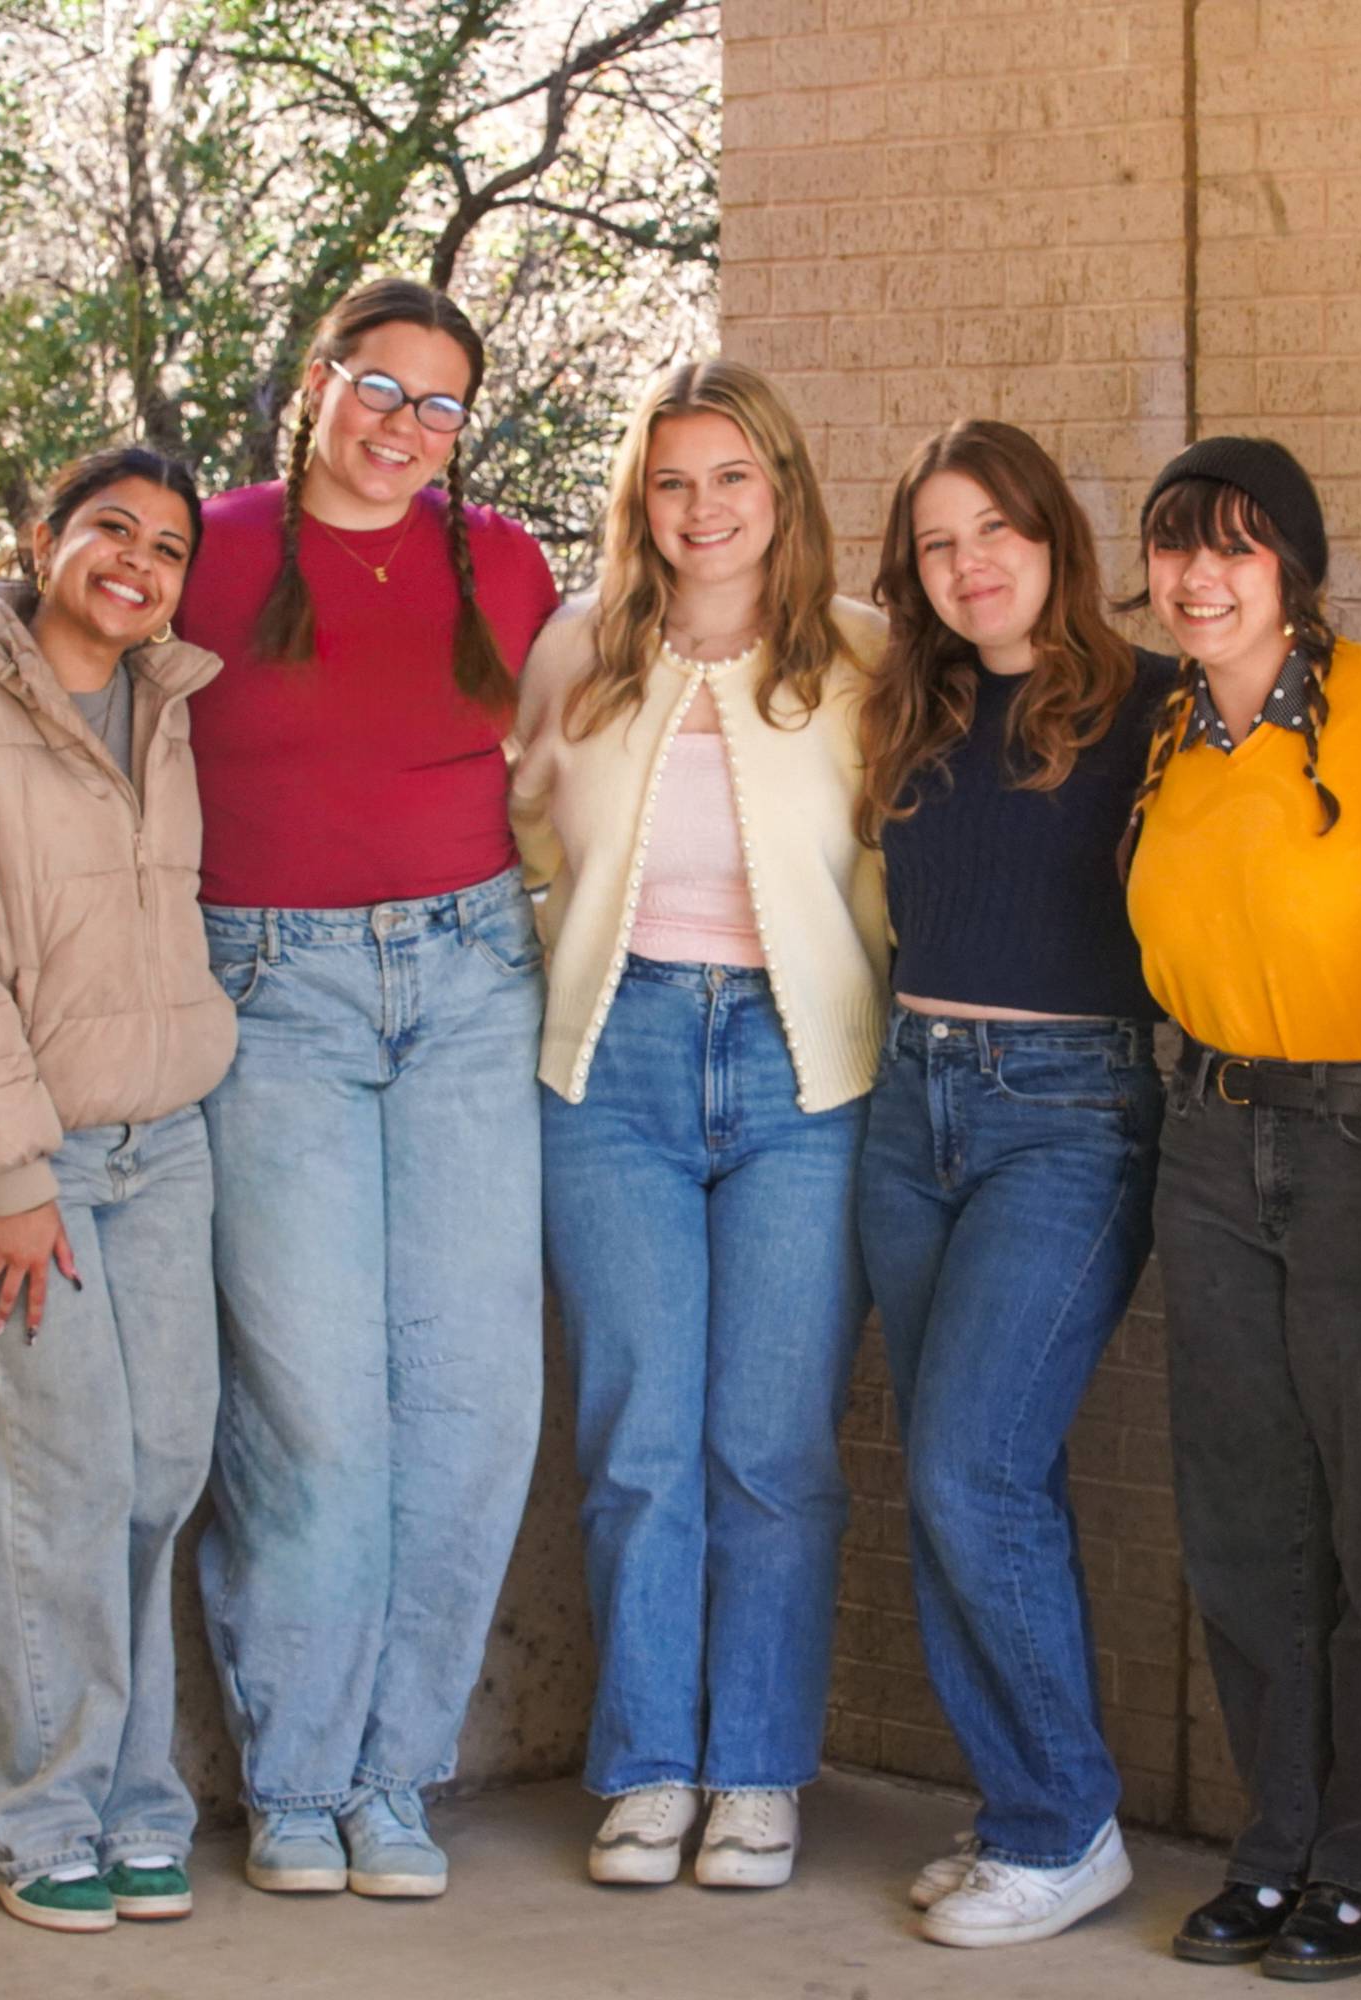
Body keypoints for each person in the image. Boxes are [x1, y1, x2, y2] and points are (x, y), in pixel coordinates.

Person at [173, 276, 561, 1900]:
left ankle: (397, 1777)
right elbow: (56, 655)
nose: (403, 428)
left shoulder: (513, 565)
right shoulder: (210, 546)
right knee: (317, 1409)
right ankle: (299, 1780)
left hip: (472, 983)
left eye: (440, 407)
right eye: (378, 389)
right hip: (272, 997)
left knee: (475, 1404)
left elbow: (619, 722)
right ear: (319, 383)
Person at [507, 358, 887, 1893]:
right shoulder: (579, 655)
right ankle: (652, 1764)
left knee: (772, 1444)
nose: (702, 509)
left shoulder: (863, 655)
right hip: (616, 1067)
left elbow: (894, 864)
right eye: (673, 482)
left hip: (810, 1078)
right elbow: (523, 838)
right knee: (639, 1436)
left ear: (782, 490)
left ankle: (756, 1773)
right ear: (639, 502)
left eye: (732, 477)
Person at [0, 446, 231, 1933]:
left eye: (169, 547)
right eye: (109, 530)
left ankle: (137, 1802)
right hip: (33, 1168)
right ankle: (38, 1815)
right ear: (42, 540)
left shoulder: (165, 705)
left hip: (168, 1147)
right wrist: (12, 1173)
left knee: (159, 1473)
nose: (138, 562)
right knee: (53, 1487)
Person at [1120, 437, 1361, 1979]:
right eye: (1176, 548)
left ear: (1295, 570)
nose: (1201, 578)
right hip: (1207, 1144)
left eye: (1239, 549)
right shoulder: (1163, 736)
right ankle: (1275, 1846)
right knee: (1247, 1520)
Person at [848, 420, 1172, 1949]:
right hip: (911, 1109)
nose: (970, 563)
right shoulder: (902, 707)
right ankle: (1020, 1813)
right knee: (961, 1477)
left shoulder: (1148, 707)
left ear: (1055, 539)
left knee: (969, 1465)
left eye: (998, 531)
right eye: (937, 542)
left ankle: (1062, 1825)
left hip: (1071, 1114)